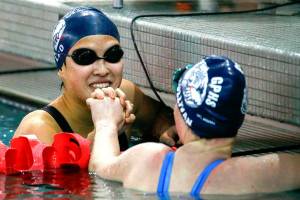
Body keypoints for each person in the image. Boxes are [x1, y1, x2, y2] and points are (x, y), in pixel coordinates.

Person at [87, 55, 300, 196]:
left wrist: (106, 123)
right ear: (239, 117)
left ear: (181, 114)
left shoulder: (145, 160)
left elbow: (99, 166)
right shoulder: (258, 173)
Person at [13, 6, 176, 149]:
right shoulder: (39, 130)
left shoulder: (127, 95)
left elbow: (160, 118)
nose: (102, 70)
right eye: (85, 57)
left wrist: (165, 130)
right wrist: (105, 131)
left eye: (112, 55)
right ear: (61, 68)